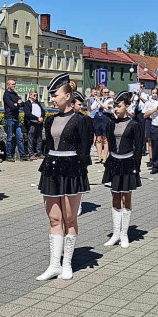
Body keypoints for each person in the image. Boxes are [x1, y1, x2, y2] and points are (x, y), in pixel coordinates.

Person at [36, 73, 90, 281]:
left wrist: (80, 176)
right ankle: (54, 265)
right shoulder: (50, 120)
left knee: (70, 219)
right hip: (51, 169)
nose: (52, 98)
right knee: (54, 218)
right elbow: (48, 146)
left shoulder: (80, 120)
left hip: (72, 171)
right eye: (51, 95)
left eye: (55, 94)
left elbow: (84, 151)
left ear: (68, 96)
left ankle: (67, 264)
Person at [102, 90, 143, 249]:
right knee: (114, 197)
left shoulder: (134, 125)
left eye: (118, 106)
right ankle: (115, 233)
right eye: (114, 106)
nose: (115, 109)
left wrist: (136, 167)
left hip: (128, 163)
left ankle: (124, 233)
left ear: (126, 106)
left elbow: (138, 147)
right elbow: (109, 141)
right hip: (114, 162)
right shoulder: (110, 123)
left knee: (126, 197)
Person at [2, 79, 26, 162]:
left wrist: (17, 104)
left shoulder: (15, 94)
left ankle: (23, 155)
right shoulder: (6, 95)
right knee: (9, 138)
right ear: (8, 85)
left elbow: (23, 104)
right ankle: (9, 156)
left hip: (16, 118)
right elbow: (12, 106)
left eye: (14, 84)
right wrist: (17, 103)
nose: (14, 86)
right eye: (12, 84)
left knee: (20, 137)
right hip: (9, 118)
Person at [90, 88, 110, 164]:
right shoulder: (99, 99)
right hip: (98, 118)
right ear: (101, 93)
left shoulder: (110, 100)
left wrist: (99, 101)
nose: (106, 94)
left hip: (105, 118)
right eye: (105, 92)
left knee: (105, 139)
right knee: (98, 139)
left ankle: (104, 158)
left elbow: (107, 107)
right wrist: (88, 101)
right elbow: (91, 109)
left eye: (107, 92)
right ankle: (99, 158)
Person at [23, 90, 45, 159]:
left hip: (39, 123)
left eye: (37, 95)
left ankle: (39, 153)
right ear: (30, 95)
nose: (36, 96)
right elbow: (28, 114)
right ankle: (31, 154)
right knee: (31, 138)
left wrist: (41, 117)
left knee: (39, 138)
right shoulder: (27, 103)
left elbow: (43, 111)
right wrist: (37, 118)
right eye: (34, 95)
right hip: (32, 123)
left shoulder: (38, 103)